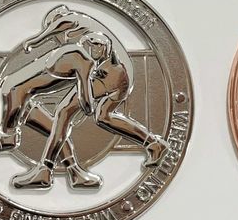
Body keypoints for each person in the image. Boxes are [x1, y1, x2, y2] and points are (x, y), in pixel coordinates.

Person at [0, 32, 110, 186]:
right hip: (16, 93)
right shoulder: (85, 62)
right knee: (8, 139)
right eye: (95, 45)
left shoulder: (72, 51)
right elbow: (87, 105)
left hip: (16, 91)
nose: (97, 50)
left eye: (100, 46)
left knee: (57, 131)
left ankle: (74, 174)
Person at [14, 31, 168, 189]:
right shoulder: (93, 54)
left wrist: (83, 93)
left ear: (104, 48)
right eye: (90, 46)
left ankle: (45, 169)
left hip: (111, 78)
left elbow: (86, 104)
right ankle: (153, 143)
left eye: (96, 46)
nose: (92, 50)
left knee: (64, 111)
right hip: (117, 78)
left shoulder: (96, 63)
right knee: (103, 117)